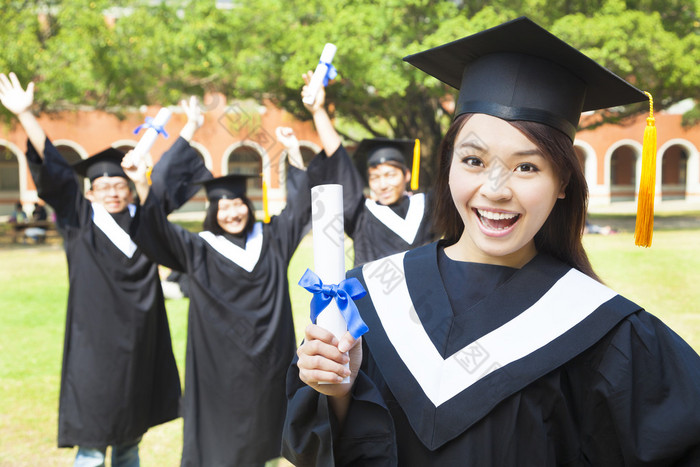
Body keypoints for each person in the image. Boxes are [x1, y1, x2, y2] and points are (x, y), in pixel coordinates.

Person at [282, 17, 700, 466]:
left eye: (527, 167)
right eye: (474, 160)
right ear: (448, 166)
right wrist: (338, 393)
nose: (496, 189)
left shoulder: (600, 328)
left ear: (563, 182)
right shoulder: (367, 297)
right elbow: (321, 451)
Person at [0, 72, 206, 466]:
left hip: (142, 341)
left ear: (129, 189)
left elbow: (165, 181)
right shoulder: (78, 219)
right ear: (90, 191)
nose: (112, 191)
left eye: (120, 186)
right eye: (103, 187)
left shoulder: (144, 218)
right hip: (93, 347)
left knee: (131, 439)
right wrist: (27, 115)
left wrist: (192, 125)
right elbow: (57, 171)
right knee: (93, 442)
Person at [121, 125, 334, 466]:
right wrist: (141, 183)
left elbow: (299, 208)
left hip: (269, 366)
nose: (232, 212)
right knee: (223, 449)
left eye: (237, 204)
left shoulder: (272, 240)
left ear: (247, 206)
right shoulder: (198, 249)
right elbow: (156, 229)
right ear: (213, 212)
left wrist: (293, 151)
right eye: (223, 207)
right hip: (218, 370)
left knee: (266, 440)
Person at [301, 71, 437, 266]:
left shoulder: (426, 206)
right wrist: (318, 111)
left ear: (406, 175)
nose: (383, 184)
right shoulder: (362, 215)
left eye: (390, 175)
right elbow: (340, 161)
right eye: (375, 177)